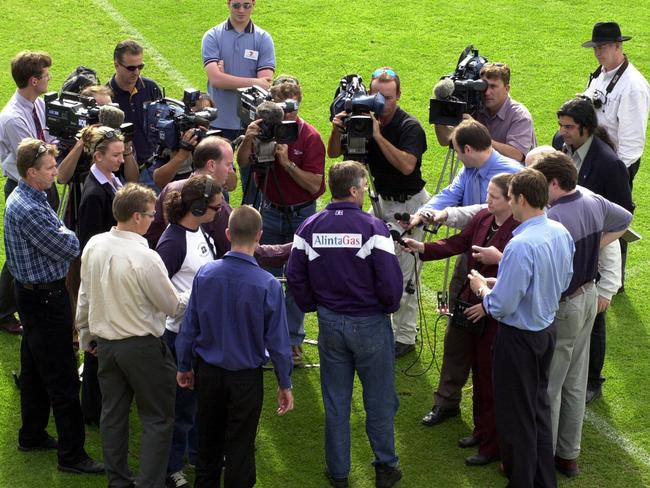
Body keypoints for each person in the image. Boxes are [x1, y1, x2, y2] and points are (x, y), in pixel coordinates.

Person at [287, 161, 404, 488]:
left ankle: (338, 473)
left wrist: (313, 304)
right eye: (364, 187)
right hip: (369, 324)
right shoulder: (373, 227)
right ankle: (386, 466)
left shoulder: (309, 226)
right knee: (378, 399)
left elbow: (295, 275)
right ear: (353, 190)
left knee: (336, 401)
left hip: (329, 323)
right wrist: (386, 307)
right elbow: (390, 282)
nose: (366, 192)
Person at [407, 120, 521, 427]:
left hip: (504, 276)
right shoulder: (472, 174)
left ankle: (491, 422)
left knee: (491, 351)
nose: (456, 157)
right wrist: (424, 219)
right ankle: (448, 401)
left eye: (457, 151)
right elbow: (454, 199)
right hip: (470, 264)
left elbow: (475, 211)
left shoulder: (512, 177)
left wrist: (444, 215)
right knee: (457, 333)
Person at [76, 183, 189, 488]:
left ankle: (119, 482)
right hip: (143, 349)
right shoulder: (146, 257)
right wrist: (198, 289)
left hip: (106, 347)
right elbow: (171, 306)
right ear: (137, 216)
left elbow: (84, 296)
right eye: (152, 214)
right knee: (157, 418)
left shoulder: (94, 245)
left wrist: (86, 336)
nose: (154, 219)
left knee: (113, 416)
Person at [468, 168, 574, 488]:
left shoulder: (520, 244)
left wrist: (481, 289)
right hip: (545, 332)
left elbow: (501, 306)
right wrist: (501, 284)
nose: (509, 204)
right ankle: (543, 481)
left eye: (511, 198)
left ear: (522, 199)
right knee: (539, 412)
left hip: (517, 340)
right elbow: (560, 281)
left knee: (516, 421)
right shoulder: (559, 232)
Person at [402, 173, 518, 467]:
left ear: (511, 200)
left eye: (493, 197)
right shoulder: (482, 218)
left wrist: (488, 307)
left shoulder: (520, 229)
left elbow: (518, 278)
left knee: (490, 379)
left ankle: (492, 445)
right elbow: (459, 243)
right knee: (479, 373)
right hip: (472, 303)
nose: (486, 201)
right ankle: (481, 432)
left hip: (495, 313)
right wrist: (423, 248)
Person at [175, 205, 294, 488]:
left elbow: (189, 327)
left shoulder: (205, 274)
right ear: (260, 236)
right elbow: (278, 343)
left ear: (228, 234)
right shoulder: (268, 285)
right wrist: (284, 383)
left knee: (208, 443)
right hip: (245, 379)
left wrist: (184, 366)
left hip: (209, 374)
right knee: (241, 446)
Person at [5, 138, 103, 475]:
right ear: (31, 172)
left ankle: (31, 434)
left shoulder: (30, 194)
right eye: (49, 168)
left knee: (33, 369)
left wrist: (63, 232)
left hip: (32, 296)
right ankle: (72, 455)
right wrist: (67, 233)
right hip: (45, 300)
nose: (55, 172)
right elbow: (70, 245)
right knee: (63, 379)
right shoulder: (31, 208)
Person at [532, 152, 632, 478]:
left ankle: (541, 460)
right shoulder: (592, 199)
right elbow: (624, 220)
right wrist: (596, 243)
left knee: (549, 385)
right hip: (589, 296)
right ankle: (568, 456)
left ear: (554, 183)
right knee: (575, 381)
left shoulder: (555, 220)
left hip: (565, 306)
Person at [328, 67, 428, 358]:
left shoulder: (409, 126)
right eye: (376, 97)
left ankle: (405, 337)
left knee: (405, 272)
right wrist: (337, 128)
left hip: (410, 205)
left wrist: (378, 135)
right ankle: (383, 327)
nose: (382, 103)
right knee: (378, 267)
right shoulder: (360, 120)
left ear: (399, 96)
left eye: (388, 97)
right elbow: (335, 154)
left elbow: (407, 166)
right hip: (380, 202)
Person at [551, 96, 634, 404]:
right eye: (561, 125)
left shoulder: (609, 164)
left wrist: (596, 244)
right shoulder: (561, 144)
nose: (562, 132)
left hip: (594, 248)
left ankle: (592, 379)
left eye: (569, 127)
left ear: (586, 128)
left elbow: (624, 213)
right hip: (564, 242)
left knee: (595, 315)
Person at [237, 75, 325, 364]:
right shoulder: (263, 130)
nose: (287, 117)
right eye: (281, 110)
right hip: (270, 210)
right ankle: (267, 337)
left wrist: (286, 164)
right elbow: (243, 164)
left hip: (301, 213)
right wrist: (249, 139)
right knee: (267, 277)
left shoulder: (310, 136)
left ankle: (291, 339)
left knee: (297, 278)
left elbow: (314, 185)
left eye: (292, 110)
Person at [156, 176, 222, 488]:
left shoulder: (200, 230)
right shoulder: (172, 242)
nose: (219, 211)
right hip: (180, 337)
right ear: (196, 207)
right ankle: (170, 468)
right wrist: (184, 305)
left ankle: (197, 454)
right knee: (181, 409)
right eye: (215, 207)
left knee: (199, 403)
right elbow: (156, 291)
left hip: (199, 335)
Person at [144, 135, 290, 267]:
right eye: (228, 165)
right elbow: (246, 250)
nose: (230, 171)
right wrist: (294, 247)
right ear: (211, 165)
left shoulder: (172, 188)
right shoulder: (214, 204)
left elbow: (150, 234)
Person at [0, 51, 59, 334]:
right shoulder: (13, 117)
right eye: (46, 75)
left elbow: (46, 140)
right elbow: (32, 159)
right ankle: (3, 310)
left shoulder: (36, 104)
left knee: (26, 250)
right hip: (25, 187)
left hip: (41, 183)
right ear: (34, 80)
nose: (49, 79)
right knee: (19, 255)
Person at [75, 125, 126, 426]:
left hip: (109, 274)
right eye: (116, 155)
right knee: (96, 345)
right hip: (101, 279)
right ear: (98, 156)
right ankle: (91, 408)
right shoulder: (94, 193)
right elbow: (91, 246)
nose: (121, 159)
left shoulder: (107, 179)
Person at [202, 0, 276, 200]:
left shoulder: (263, 38)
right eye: (236, 5)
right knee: (217, 186)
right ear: (228, 4)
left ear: (254, 4)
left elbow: (266, 84)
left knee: (254, 186)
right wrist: (254, 81)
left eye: (246, 5)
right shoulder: (213, 36)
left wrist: (229, 79)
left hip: (252, 124)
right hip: (219, 121)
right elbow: (216, 79)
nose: (241, 10)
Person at [582, 21, 650, 188]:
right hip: (595, 156)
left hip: (615, 164)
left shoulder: (633, 86)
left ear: (618, 46)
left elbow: (632, 141)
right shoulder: (601, 73)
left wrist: (617, 173)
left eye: (602, 47)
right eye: (595, 48)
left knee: (612, 212)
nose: (597, 53)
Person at [434, 62, 537, 162]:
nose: (487, 92)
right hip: (483, 174)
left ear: (507, 89)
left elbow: (516, 155)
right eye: (484, 86)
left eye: (493, 86)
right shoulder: (477, 107)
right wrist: (439, 117)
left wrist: (476, 132)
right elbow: (445, 140)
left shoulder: (520, 115)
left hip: (513, 177)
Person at [108, 39, 163, 190]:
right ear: (116, 65)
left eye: (140, 66)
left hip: (152, 167)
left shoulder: (151, 88)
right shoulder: (107, 97)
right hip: (121, 173)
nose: (137, 72)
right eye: (131, 68)